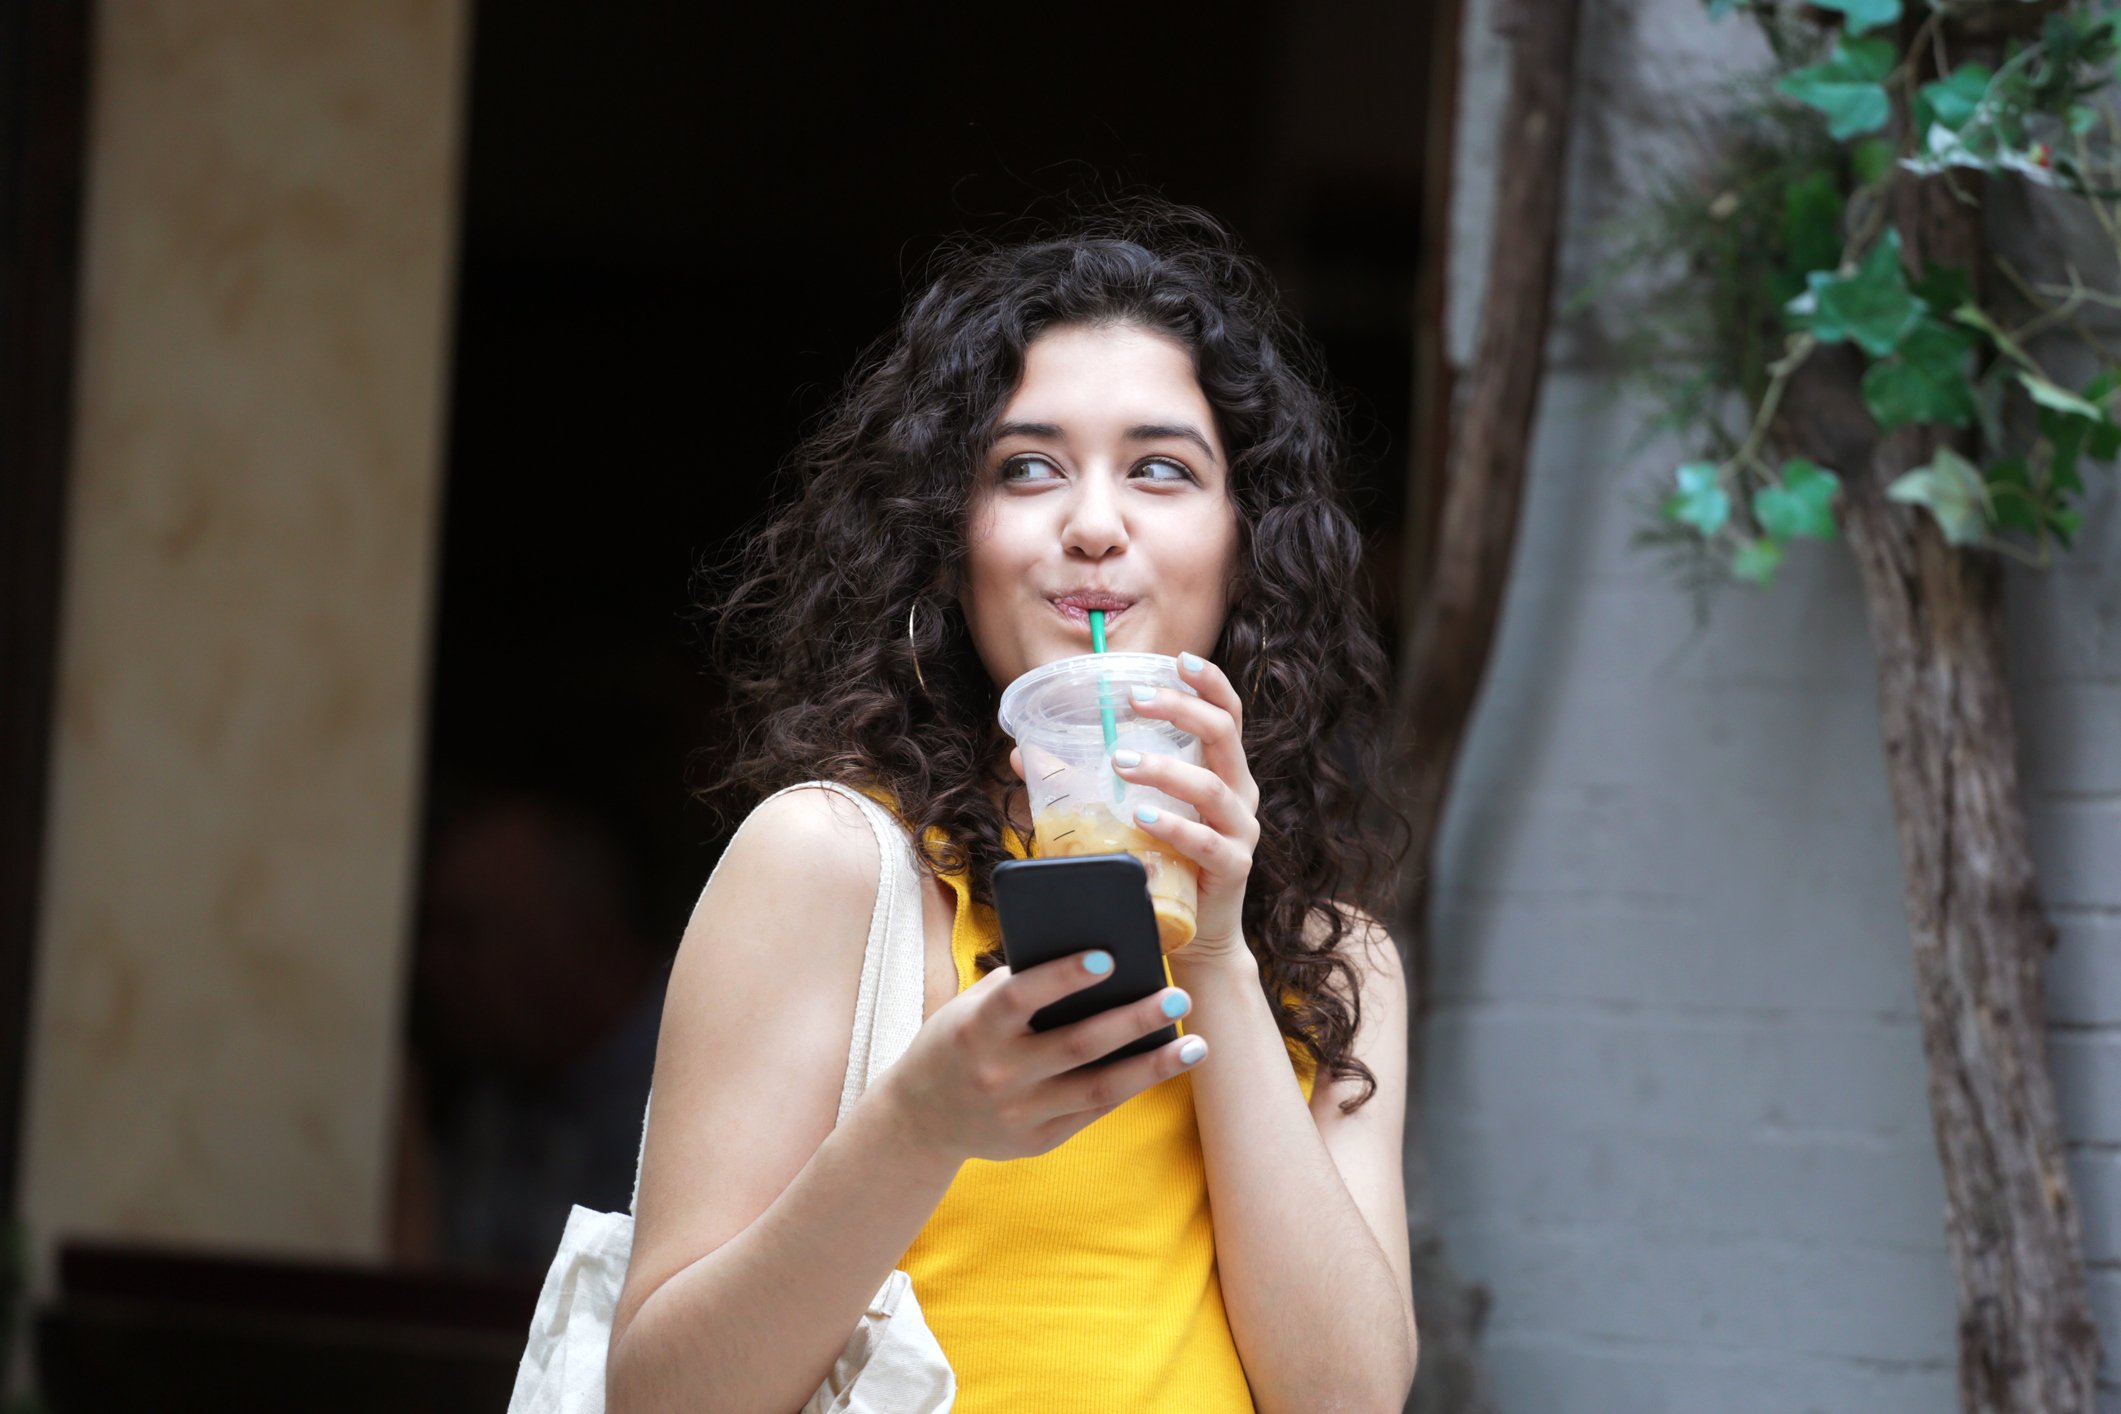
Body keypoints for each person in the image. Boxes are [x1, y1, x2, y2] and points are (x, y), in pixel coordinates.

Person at [609, 200, 1417, 1411]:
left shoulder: (1333, 956)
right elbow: (660, 1398)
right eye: (1027, 467)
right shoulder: (829, 863)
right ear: (949, 541)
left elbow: (1347, 1397)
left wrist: (1217, 950)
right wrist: (921, 1124)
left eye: (1161, 469)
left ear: (1244, 545)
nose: (1094, 525)